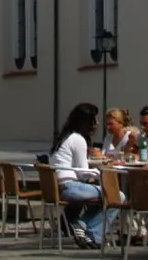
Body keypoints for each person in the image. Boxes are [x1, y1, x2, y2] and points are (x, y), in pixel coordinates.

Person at [47, 103, 106, 249]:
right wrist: (103, 173)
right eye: (95, 119)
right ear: (87, 121)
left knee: (104, 196)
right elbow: (82, 171)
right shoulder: (78, 139)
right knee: (118, 196)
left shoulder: (63, 137)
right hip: (71, 187)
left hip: (60, 186)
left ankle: (85, 231)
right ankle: (87, 230)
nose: (97, 123)